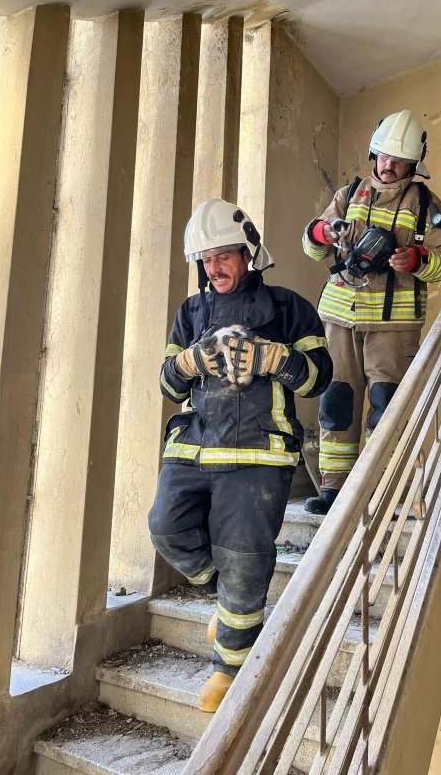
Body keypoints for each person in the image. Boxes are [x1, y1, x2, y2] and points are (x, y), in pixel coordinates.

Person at [148, 198, 333, 713]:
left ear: (248, 252)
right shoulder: (191, 312)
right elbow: (168, 384)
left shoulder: (289, 307)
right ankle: (229, 601)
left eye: (224, 254)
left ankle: (230, 665)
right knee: (166, 528)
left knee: (245, 558)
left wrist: (278, 357)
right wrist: (189, 360)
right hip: (194, 446)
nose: (214, 267)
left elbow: (321, 378)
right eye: (205, 259)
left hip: (259, 454)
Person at [301, 109, 441, 515]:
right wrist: (324, 232)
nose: (388, 166)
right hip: (340, 316)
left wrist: (417, 259)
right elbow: (312, 244)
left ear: (414, 162)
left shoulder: (427, 204)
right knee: (336, 401)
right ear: (374, 154)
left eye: (399, 159)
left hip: (393, 324)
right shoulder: (348, 194)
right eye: (384, 156)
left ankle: (381, 489)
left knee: (386, 405)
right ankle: (335, 490)